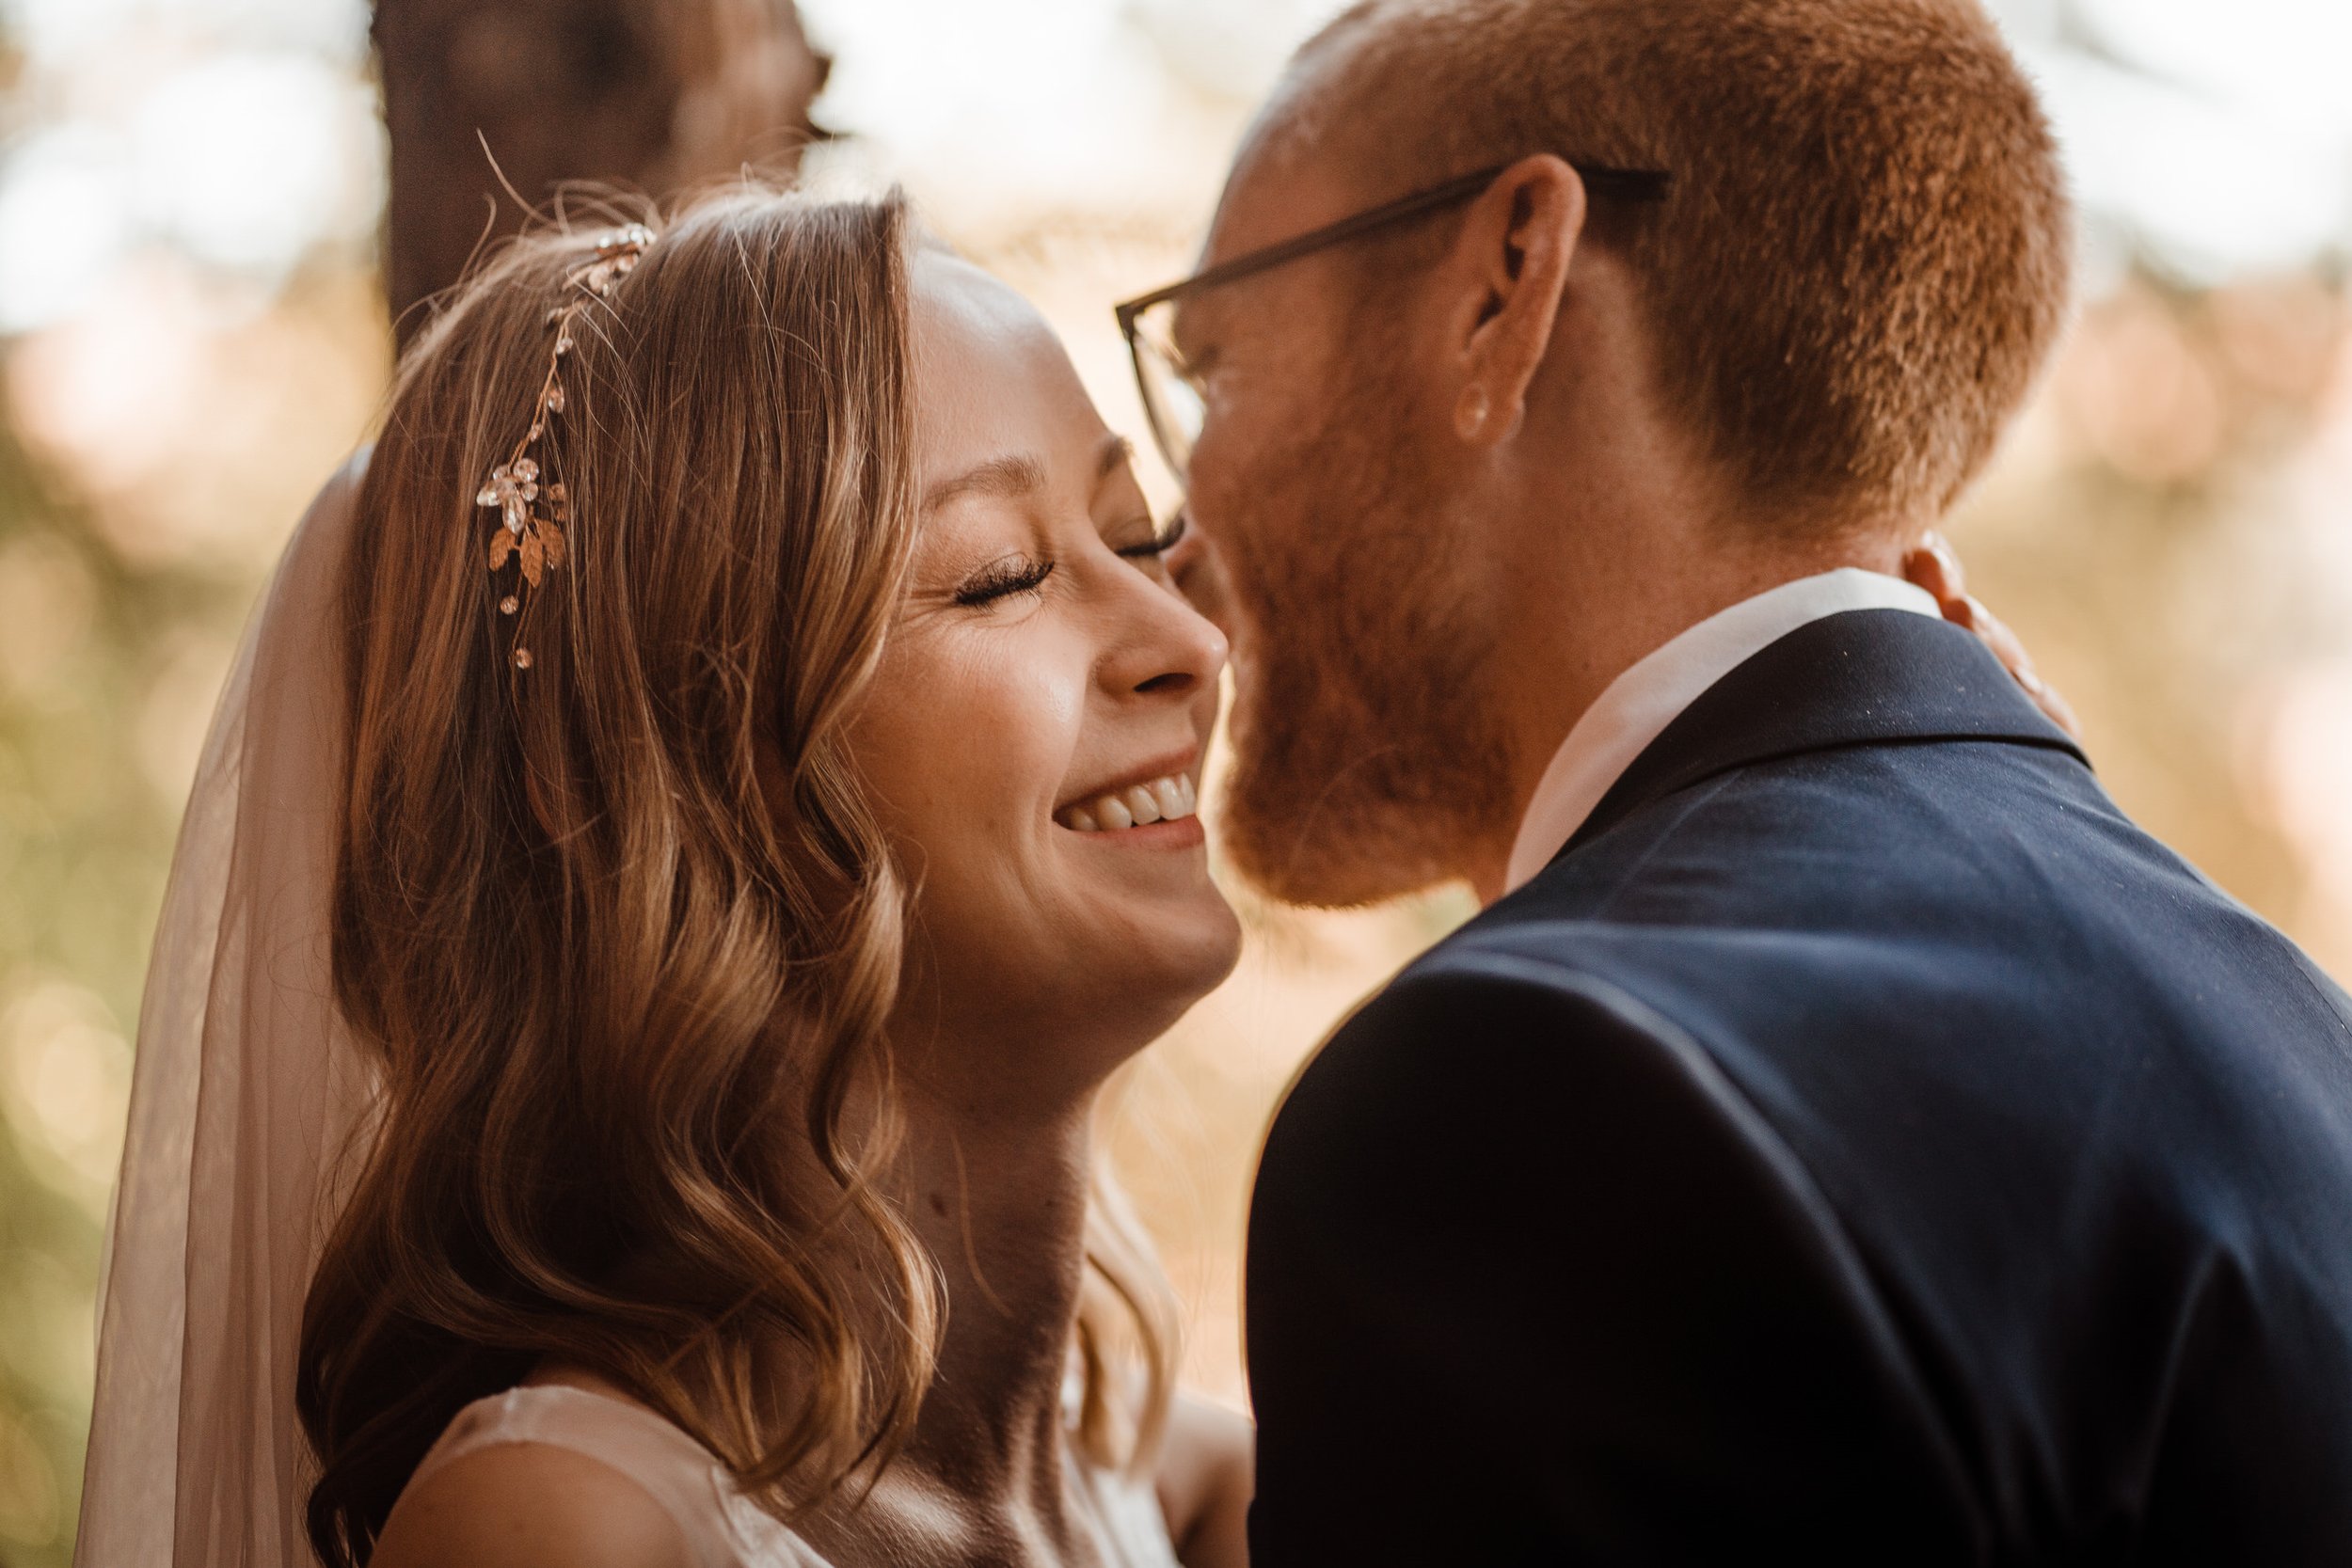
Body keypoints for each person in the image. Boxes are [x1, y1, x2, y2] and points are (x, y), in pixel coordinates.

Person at [1120, 0, 2352, 1560]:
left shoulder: (1534, 1090)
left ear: (1507, 288)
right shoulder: (2295, 1029)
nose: (1177, 536)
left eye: (1212, 366)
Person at [78, 187, 1253, 1568]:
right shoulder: (572, 1526)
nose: (1188, 640)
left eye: (1135, 538)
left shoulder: (1206, 1491)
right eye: (1000, 577)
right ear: (676, 784)